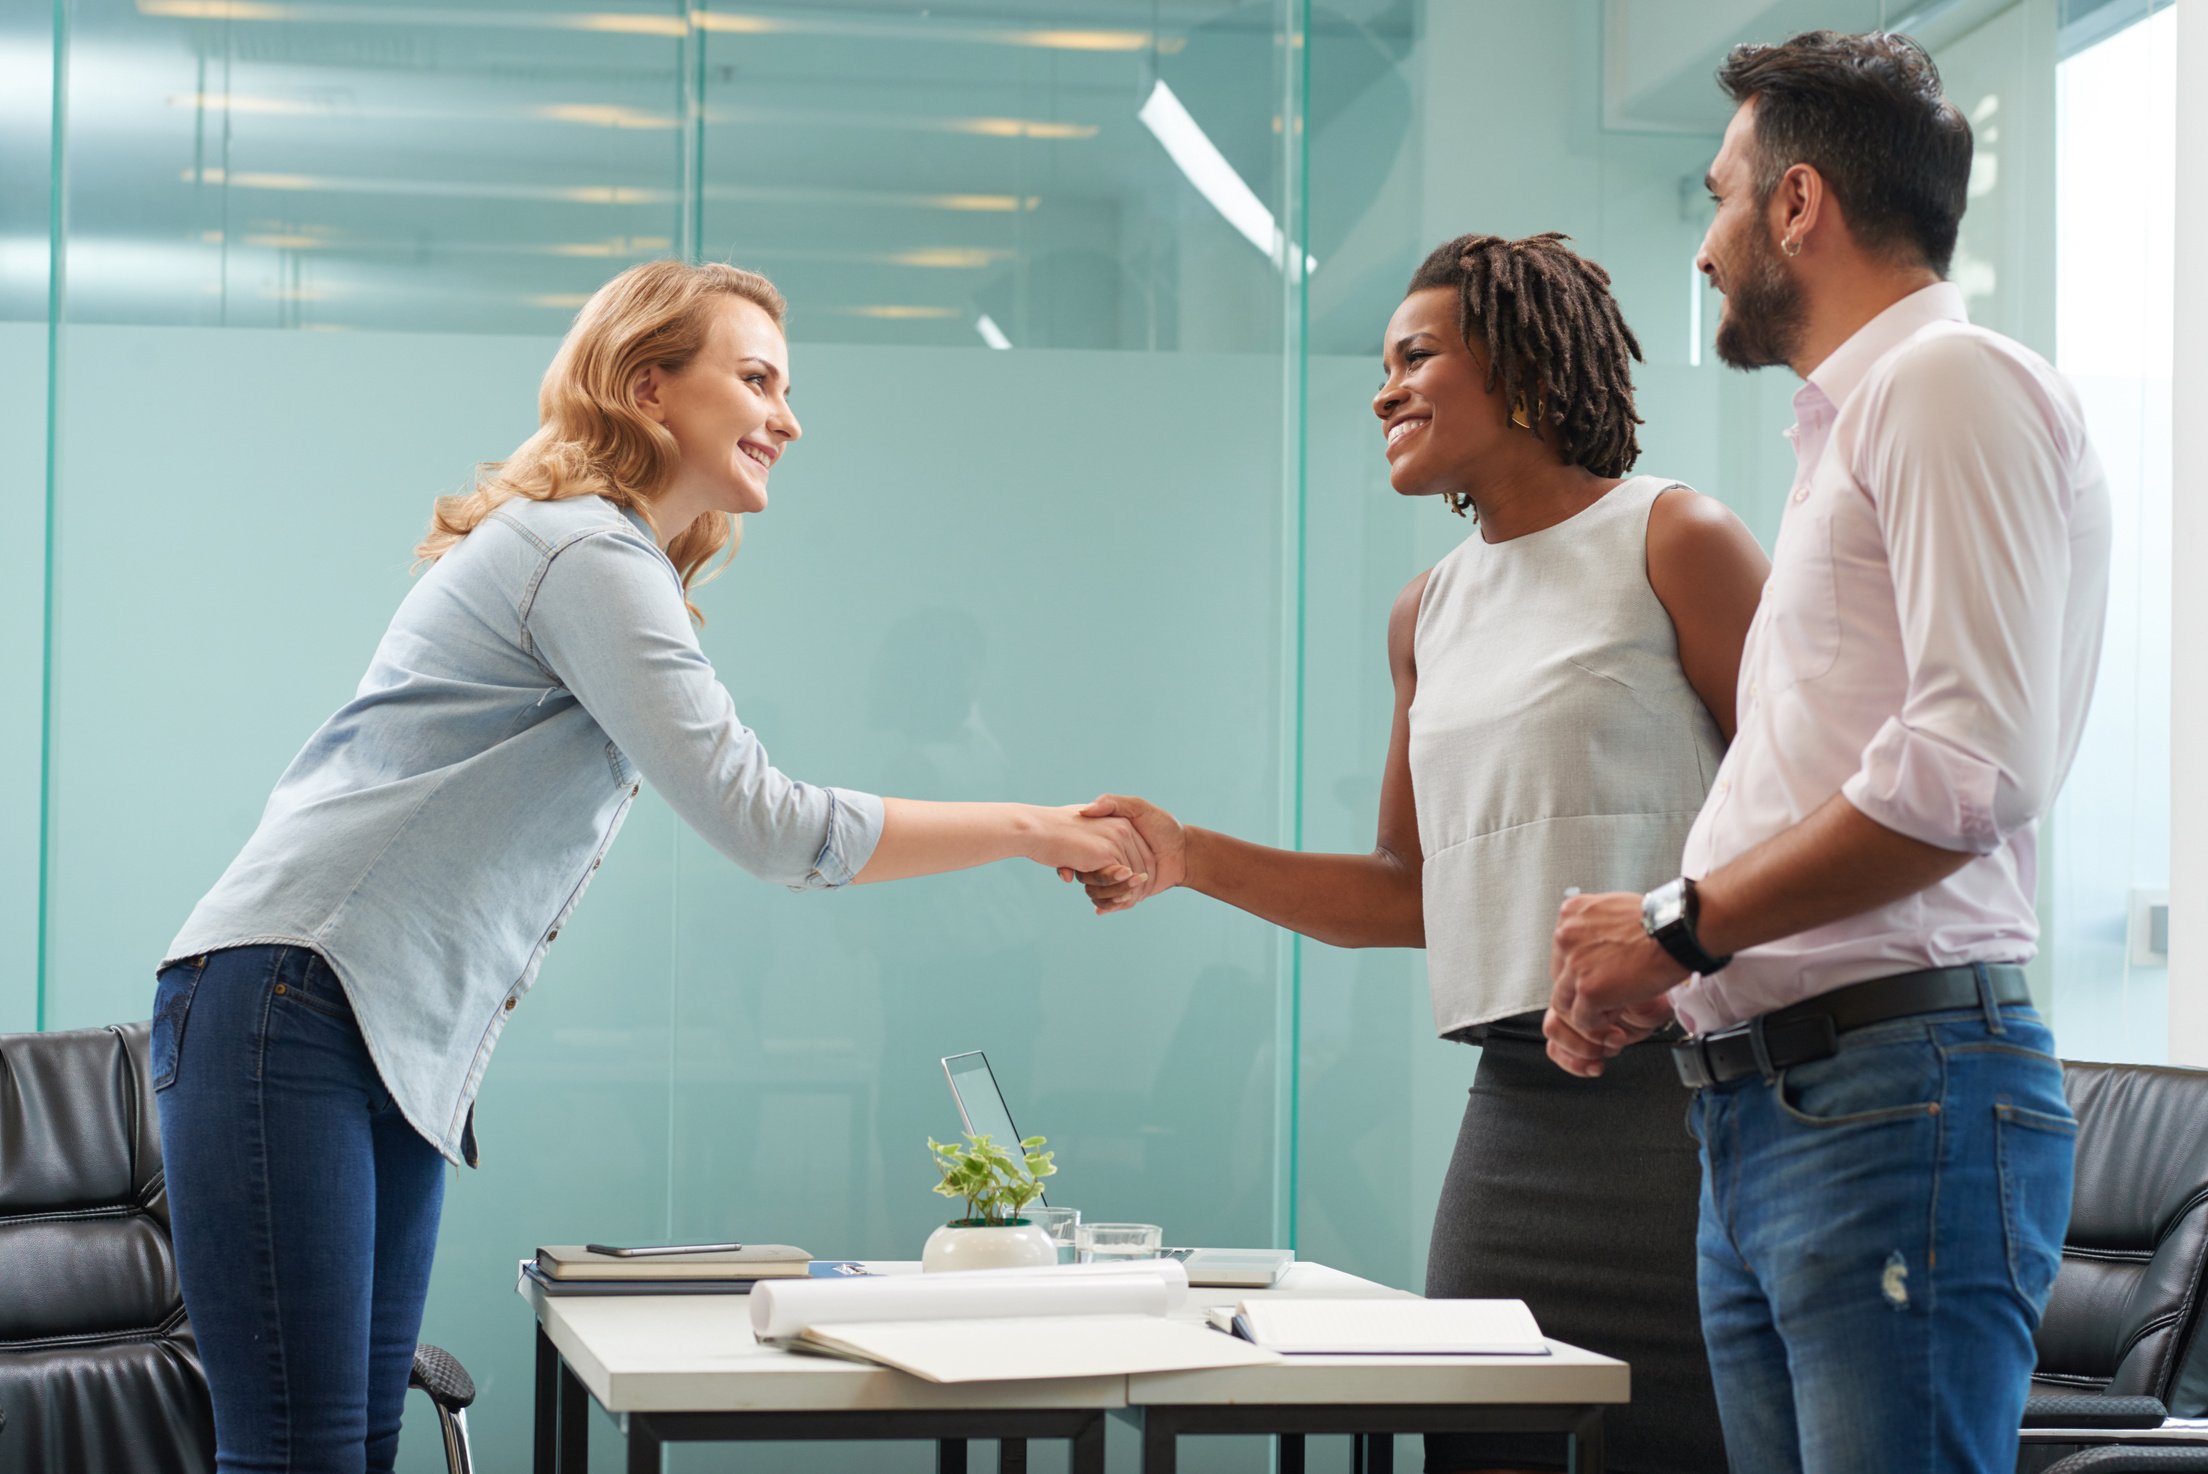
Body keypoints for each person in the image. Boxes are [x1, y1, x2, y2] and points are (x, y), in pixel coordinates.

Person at [150, 259, 1154, 1473]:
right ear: (648, 388)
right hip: (293, 999)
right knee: (302, 1452)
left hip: (370, 1027)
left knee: (356, 1440)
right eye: (757, 378)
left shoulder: (606, 560)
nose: (790, 416)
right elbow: (769, 823)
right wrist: (1037, 828)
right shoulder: (585, 555)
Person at [1072, 233, 1769, 1473]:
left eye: (1416, 356)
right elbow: (1412, 895)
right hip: (1517, 1118)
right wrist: (1189, 855)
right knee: (1474, 1443)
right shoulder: (1427, 609)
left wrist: (1667, 932)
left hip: (1693, 1115)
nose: (1384, 389)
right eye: (1382, 365)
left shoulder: (1677, 536)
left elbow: (1800, 810)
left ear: (1521, 369)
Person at [1544, 31, 2110, 1474]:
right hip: (1796, 1105)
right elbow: (1844, 761)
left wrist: (1678, 925)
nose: (1706, 248)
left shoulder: (1944, 384)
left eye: (1722, 197)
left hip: (1892, 1098)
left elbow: (1966, 772)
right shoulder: (1854, 427)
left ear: (1800, 205)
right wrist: (1680, 975)